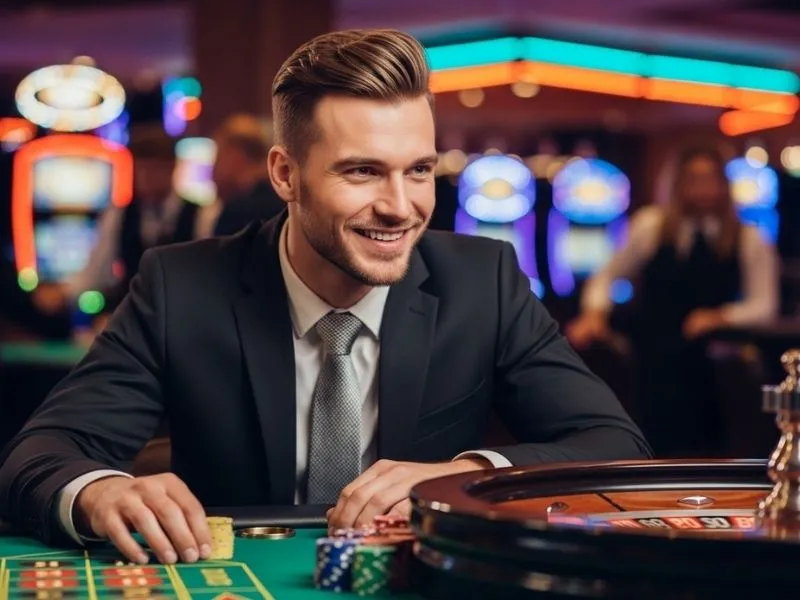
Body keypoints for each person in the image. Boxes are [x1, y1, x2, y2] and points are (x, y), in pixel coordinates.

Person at [0, 29, 650, 567]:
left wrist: (456, 474)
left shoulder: (484, 281)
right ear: (286, 174)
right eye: (363, 170)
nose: (401, 207)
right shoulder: (181, 286)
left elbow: (615, 445)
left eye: (418, 170)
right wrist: (99, 491)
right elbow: (38, 456)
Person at [566, 146, 778, 457]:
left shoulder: (748, 238)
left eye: (710, 179)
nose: (702, 188)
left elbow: (764, 304)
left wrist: (721, 316)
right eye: (693, 179)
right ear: (678, 184)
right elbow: (605, 276)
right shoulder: (651, 225)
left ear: (723, 184)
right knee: (653, 444)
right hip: (652, 360)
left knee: (707, 450)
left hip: (710, 368)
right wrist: (595, 312)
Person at [211, 114, 285, 236]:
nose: (214, 169)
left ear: (235, 155)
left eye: (219, 156)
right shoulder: (285, 201)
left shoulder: (237, 212)